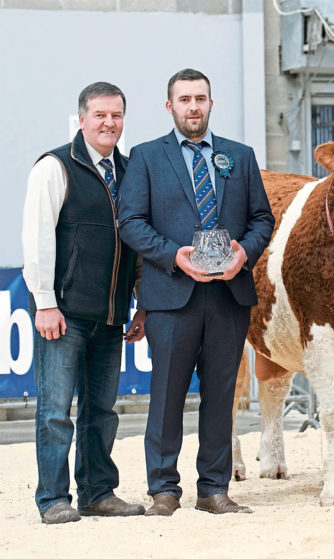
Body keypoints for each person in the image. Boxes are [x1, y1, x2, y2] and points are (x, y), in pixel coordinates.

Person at [118, 69, 274, 516]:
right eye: (184, 99)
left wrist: (245, 251)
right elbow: (130, 223)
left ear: (211, 104)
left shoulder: (239, 157)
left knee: (221, 395)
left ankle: (214, 490)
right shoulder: (147, 157)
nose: (193, 106)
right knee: (166, 395)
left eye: (200, 98)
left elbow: (263, 219)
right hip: (171, 296)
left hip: (229, 295)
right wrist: (174, 255)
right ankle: (164, 490)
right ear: (170, 106)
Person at [22, 82, 147, 524]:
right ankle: (53, 499)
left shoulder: (131, 171)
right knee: (55, 411)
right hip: (65, 313)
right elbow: (36, 239)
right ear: (82, 119)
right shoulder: (55, 166)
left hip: (112, 315)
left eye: (116, 115)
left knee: (102, 413)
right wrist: (44, 302)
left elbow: (135, 247)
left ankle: (98, 493)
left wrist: (141, 304)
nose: (109, 123)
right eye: (99, 115)